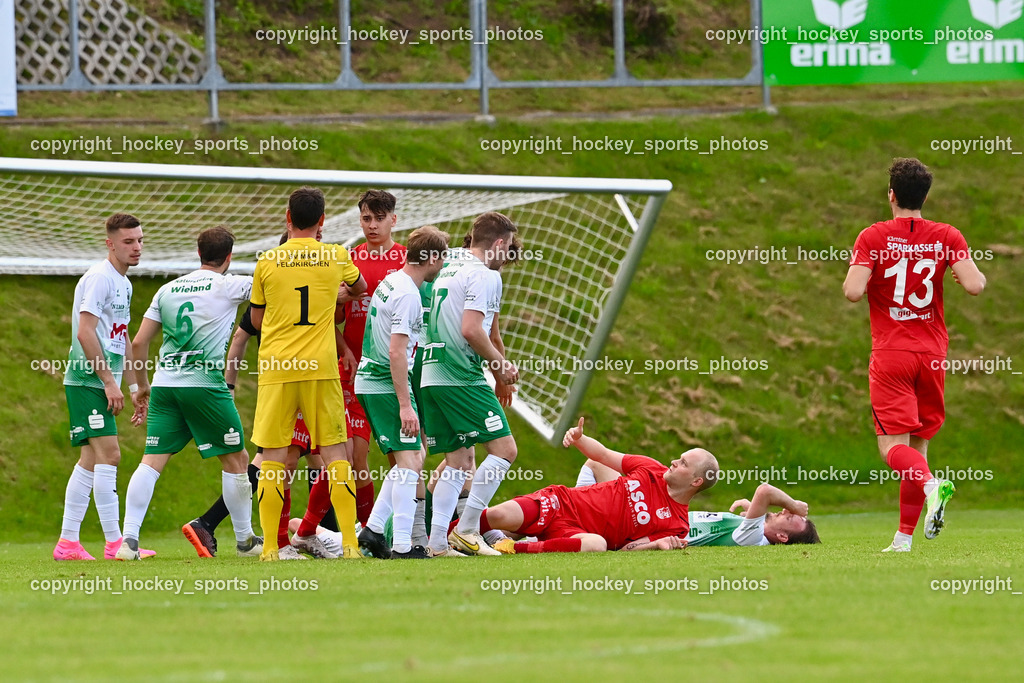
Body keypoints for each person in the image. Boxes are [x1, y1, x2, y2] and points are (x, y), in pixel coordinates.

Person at [843, 158, 986, 552]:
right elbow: (974, 285)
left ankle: (930, 486)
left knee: (893, 448)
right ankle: (903, 539)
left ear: (891, 194)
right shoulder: (947, 235)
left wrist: (866, 271)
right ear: (925, 195)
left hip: (892, 353)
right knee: (918, 448)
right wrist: (967, 272)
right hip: (933, 354)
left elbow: (853, 292)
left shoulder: (873, 236)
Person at [114, 226, 262, 559]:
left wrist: (139, 387)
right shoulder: (230, 284)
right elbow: (270, 290)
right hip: (205, 385)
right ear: (229, 256)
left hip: (165, 386)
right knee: (237, 459)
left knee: (151, 461)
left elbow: (138, 342)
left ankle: (128, 541)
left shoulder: (167, 290)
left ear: (198, 253)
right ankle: (246, 542)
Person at [250, 187, 366, 561]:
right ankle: (349, 544)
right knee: (336, 454)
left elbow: (255, 319)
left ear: (287, 217)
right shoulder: (336, 255)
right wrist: (336, 296)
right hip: (320, 368)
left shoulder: (267, 260)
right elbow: (360, 287)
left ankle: (270, 547)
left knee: (272, 457)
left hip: (278, 369)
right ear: (322, 220)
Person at [419, 212, 521, 557]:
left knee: (459, 460)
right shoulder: (484, 275)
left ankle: (437, 543)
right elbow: (472, 330)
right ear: (499, 243)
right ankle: (467, 530)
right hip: (459, 374)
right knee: (505, 451)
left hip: (429, 373)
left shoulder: (448, 267)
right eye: (508, 249)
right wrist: (501, 367)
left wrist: (497, 371)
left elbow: (489, 330)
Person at [54, 213, 150, 561]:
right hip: (86, 380)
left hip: (99, 381)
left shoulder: (124, 283)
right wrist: (110, 382)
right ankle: (115, 544)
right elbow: (84, 332)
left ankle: (68, 544)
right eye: (128, 241)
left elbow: (119, 336)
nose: (136, 247)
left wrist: (136, 385)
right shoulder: (99, 278)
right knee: (110, 455)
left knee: (91, 460)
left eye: (139, 240)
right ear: (110, 243)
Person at [479, 417, 719, 553]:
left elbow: (628, 551)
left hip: (580, 534)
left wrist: (656, 545)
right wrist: (580, 439)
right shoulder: (651, 468)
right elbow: (602, 455)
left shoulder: (678, 525)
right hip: (563, 503)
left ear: (696, 481)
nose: (675, 461)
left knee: (598, 545)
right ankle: (445, 534)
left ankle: (509, 547)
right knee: (497, 514)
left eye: (683, 463)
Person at [355, 226, 449, 559]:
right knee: (410, 462)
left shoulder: (393, 279)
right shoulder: (409, 293)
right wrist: (406, 406)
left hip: (369, 378)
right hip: (382, 382)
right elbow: (397, 352)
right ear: (433, 258)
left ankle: (374, 529)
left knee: (414, 457)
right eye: (443, 258)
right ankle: (403, 547)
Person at [337, 190, 408, 525]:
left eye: (379, 218)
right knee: (354, 458)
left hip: (395, 372)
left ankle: (401, 528)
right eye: (366, 218)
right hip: (356, 373)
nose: (372, 225)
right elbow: (328, 318)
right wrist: (345, 350)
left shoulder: (407, 261)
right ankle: (365, 529)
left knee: (402, 457)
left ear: (393, 220)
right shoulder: (348, 261)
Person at [577, 460, 819, 546]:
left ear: (783, 537)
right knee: (598, 464)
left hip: (645, 525)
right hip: (652, 515)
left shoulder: (754, 538)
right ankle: (576, 515)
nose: (785, 510)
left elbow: (765, 491)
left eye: (789, 516)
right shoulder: (750, 532)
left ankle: (573, 521)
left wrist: (797, 506)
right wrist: (751, 514)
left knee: (598, 467)